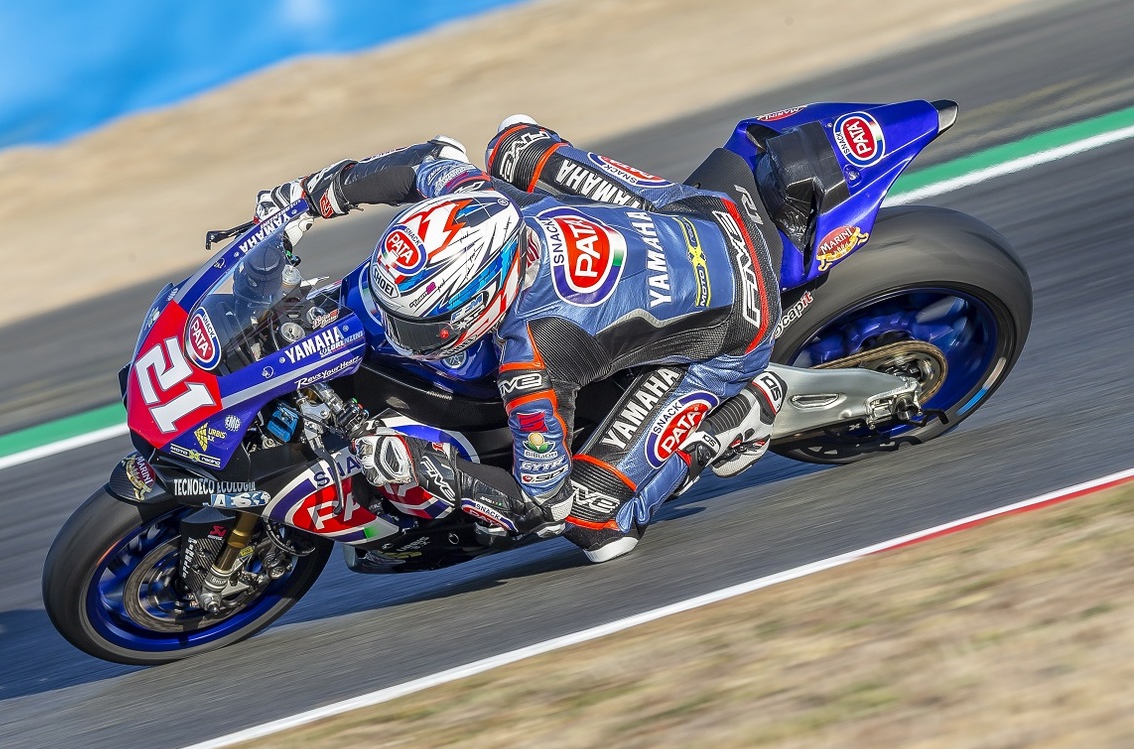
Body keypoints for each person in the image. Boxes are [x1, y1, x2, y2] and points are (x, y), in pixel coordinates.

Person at [255, 116, 783, 563]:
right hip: (698, 211)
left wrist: (428, 467)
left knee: (593, 520)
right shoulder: (478, 201)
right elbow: (427, 160)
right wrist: (310, 195)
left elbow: (540, 503)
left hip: (739, 320)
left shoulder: (532, 357)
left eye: (424, 326)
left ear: (486, 298)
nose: (401, 336)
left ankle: (741, 416)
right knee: (513, 144)